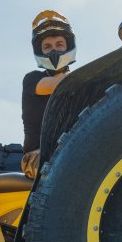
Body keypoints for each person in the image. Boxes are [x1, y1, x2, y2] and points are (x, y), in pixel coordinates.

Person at [21, 10, 76, 178]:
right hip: (36, 157)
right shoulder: (32, 79)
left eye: (59, 44)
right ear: (40, 51)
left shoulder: (78, 85)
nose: (54, 50)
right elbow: (53, 85)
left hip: (70, 148)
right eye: (47, 46)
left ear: (68, 46)